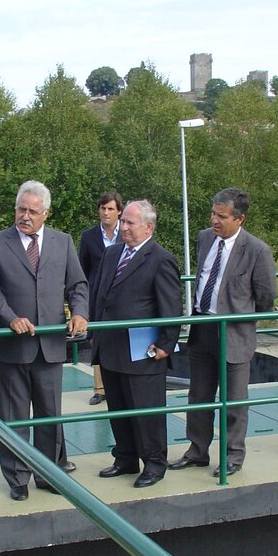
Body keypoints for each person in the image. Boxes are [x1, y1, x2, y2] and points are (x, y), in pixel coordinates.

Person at [0, 181, 89, 500]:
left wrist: (80, 312)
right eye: (21, 209)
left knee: (49, 416)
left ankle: (47, 474)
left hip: (51, 344)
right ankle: (17, 479)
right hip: (13, 345)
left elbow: (78, 284)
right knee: (13, 417)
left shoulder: (62, 241)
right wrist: (10, 316)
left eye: (32, 211)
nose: (25, 216)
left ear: (46, 213)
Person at [168, 187, 277, 477]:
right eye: (213, 213)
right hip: (202, 328)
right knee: (199, 396)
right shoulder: (205, 238)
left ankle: (232, 456)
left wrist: (243, 319)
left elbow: (266, 297)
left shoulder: (257, 250)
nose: (214, 220)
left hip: (234, 334)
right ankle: (197, 451)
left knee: (234, 401)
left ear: (240, 219)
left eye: (221, 216)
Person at [91, 200, 182, 488]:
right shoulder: (113, 253)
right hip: (111, 347)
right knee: (118, 408)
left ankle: (154, 463)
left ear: (148, 227)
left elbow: (171, 306)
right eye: (124, 222)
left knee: (146, 412)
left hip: (143, 352)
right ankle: (125, 457)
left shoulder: (161, 258)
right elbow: (101, 293)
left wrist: (166, 344)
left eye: (130, 223)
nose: (124, 227)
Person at [78, 192, 123, 406]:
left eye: (110, 209)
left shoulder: (127, 232)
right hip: (97, 295)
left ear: (119, 212)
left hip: (121, 294)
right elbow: (82, 269)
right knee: (98, 339)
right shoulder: (89, 236)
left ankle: (119, 383)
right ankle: (100, 389)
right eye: (103, 208)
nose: (105, 212)